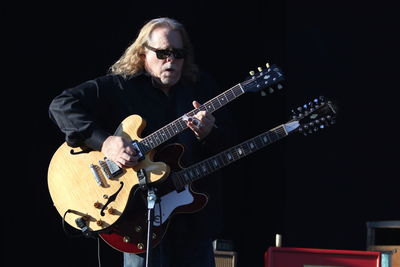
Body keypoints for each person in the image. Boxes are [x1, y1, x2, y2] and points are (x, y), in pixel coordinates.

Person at [49, 17, 235, 267]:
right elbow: (61, 105)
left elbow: (228, 146)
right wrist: (105, 143)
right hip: (138, 218)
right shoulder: (120, 86)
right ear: (142, 53)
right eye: (162, 53)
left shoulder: (201, 87)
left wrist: (209, 133)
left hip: (193, 220)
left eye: (178, 54)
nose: (171, 60)